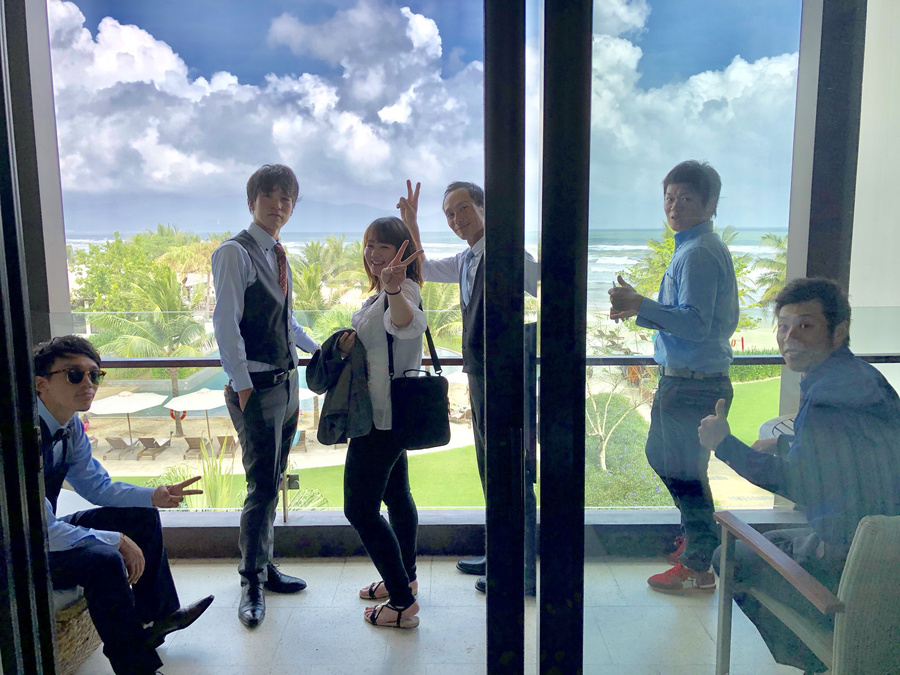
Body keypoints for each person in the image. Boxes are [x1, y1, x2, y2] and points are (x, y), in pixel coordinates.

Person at [699, 277, 900, 673]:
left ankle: (821, 653)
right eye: (783, 326)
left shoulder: (826, 398)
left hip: (846, 561)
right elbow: (857, 448)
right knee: (776, 541)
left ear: (838, 332)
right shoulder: (863, 378)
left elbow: (798, 482)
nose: (790, 338)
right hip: (885, 547)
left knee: (729, 556)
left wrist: (724, 444)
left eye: (806, 325)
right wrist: (785, 443)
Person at [34, 335, 213, 675]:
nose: (88, 384)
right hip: (16, 549)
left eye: (94, 375)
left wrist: (153, 496)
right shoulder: (19, 435)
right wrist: (114, 540)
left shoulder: (70, 425)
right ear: (41, 384)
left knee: (141, 516)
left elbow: (96, 486)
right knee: (103, 560)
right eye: (74, 375)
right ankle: (136, 668)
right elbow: (39, 531)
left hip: (42, 531)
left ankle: (157, 620)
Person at [397, 179, 538, 593]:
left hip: (507, 380)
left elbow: (548, 286)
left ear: (484, 207)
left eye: (463, 208)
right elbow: (422, 268)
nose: (457, 219)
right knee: (490, 469)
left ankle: (523, 570)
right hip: (479, 376)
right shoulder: (466, 259)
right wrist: (412, 224)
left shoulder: (509, 253)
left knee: (512, 472)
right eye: (449, 214)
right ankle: (501, 554)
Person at [608, 160, 738, 592]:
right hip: (687, 379)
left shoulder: (698, 252)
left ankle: (699, 562)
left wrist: (641, 304)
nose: (674, 206)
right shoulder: (693, 247)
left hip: (694, 383)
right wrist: (639, 308)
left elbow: (697, 324)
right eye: (669, 197)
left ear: (710, 204)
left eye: (686, 198)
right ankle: (697, 541)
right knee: (672, 462)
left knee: (684, 472)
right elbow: (686, 317)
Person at [211, 164, 318, 628]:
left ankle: (265, 563)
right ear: (252, 201)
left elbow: (286, 322)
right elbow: (225, 323)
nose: (279, 205)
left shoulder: (277, 253)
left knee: (273, 479)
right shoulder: (234, 253)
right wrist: (242, 384)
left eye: (287, 198)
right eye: (270, 196)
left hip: (288, 384)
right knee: (260, 486)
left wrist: (322, 349)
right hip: (256, 387)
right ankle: (251, 580)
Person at [334, 216, 426, 628]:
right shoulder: (384, 293)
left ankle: (402, 603)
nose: (372, 253)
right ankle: (405, 579)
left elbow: (405, 324)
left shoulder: (403, 291)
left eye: (383, 246)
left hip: (380, 421)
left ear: (401, 254)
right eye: (369, 244)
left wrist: (392, 289)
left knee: (359, 509)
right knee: (398, 497)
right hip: (387, 416)